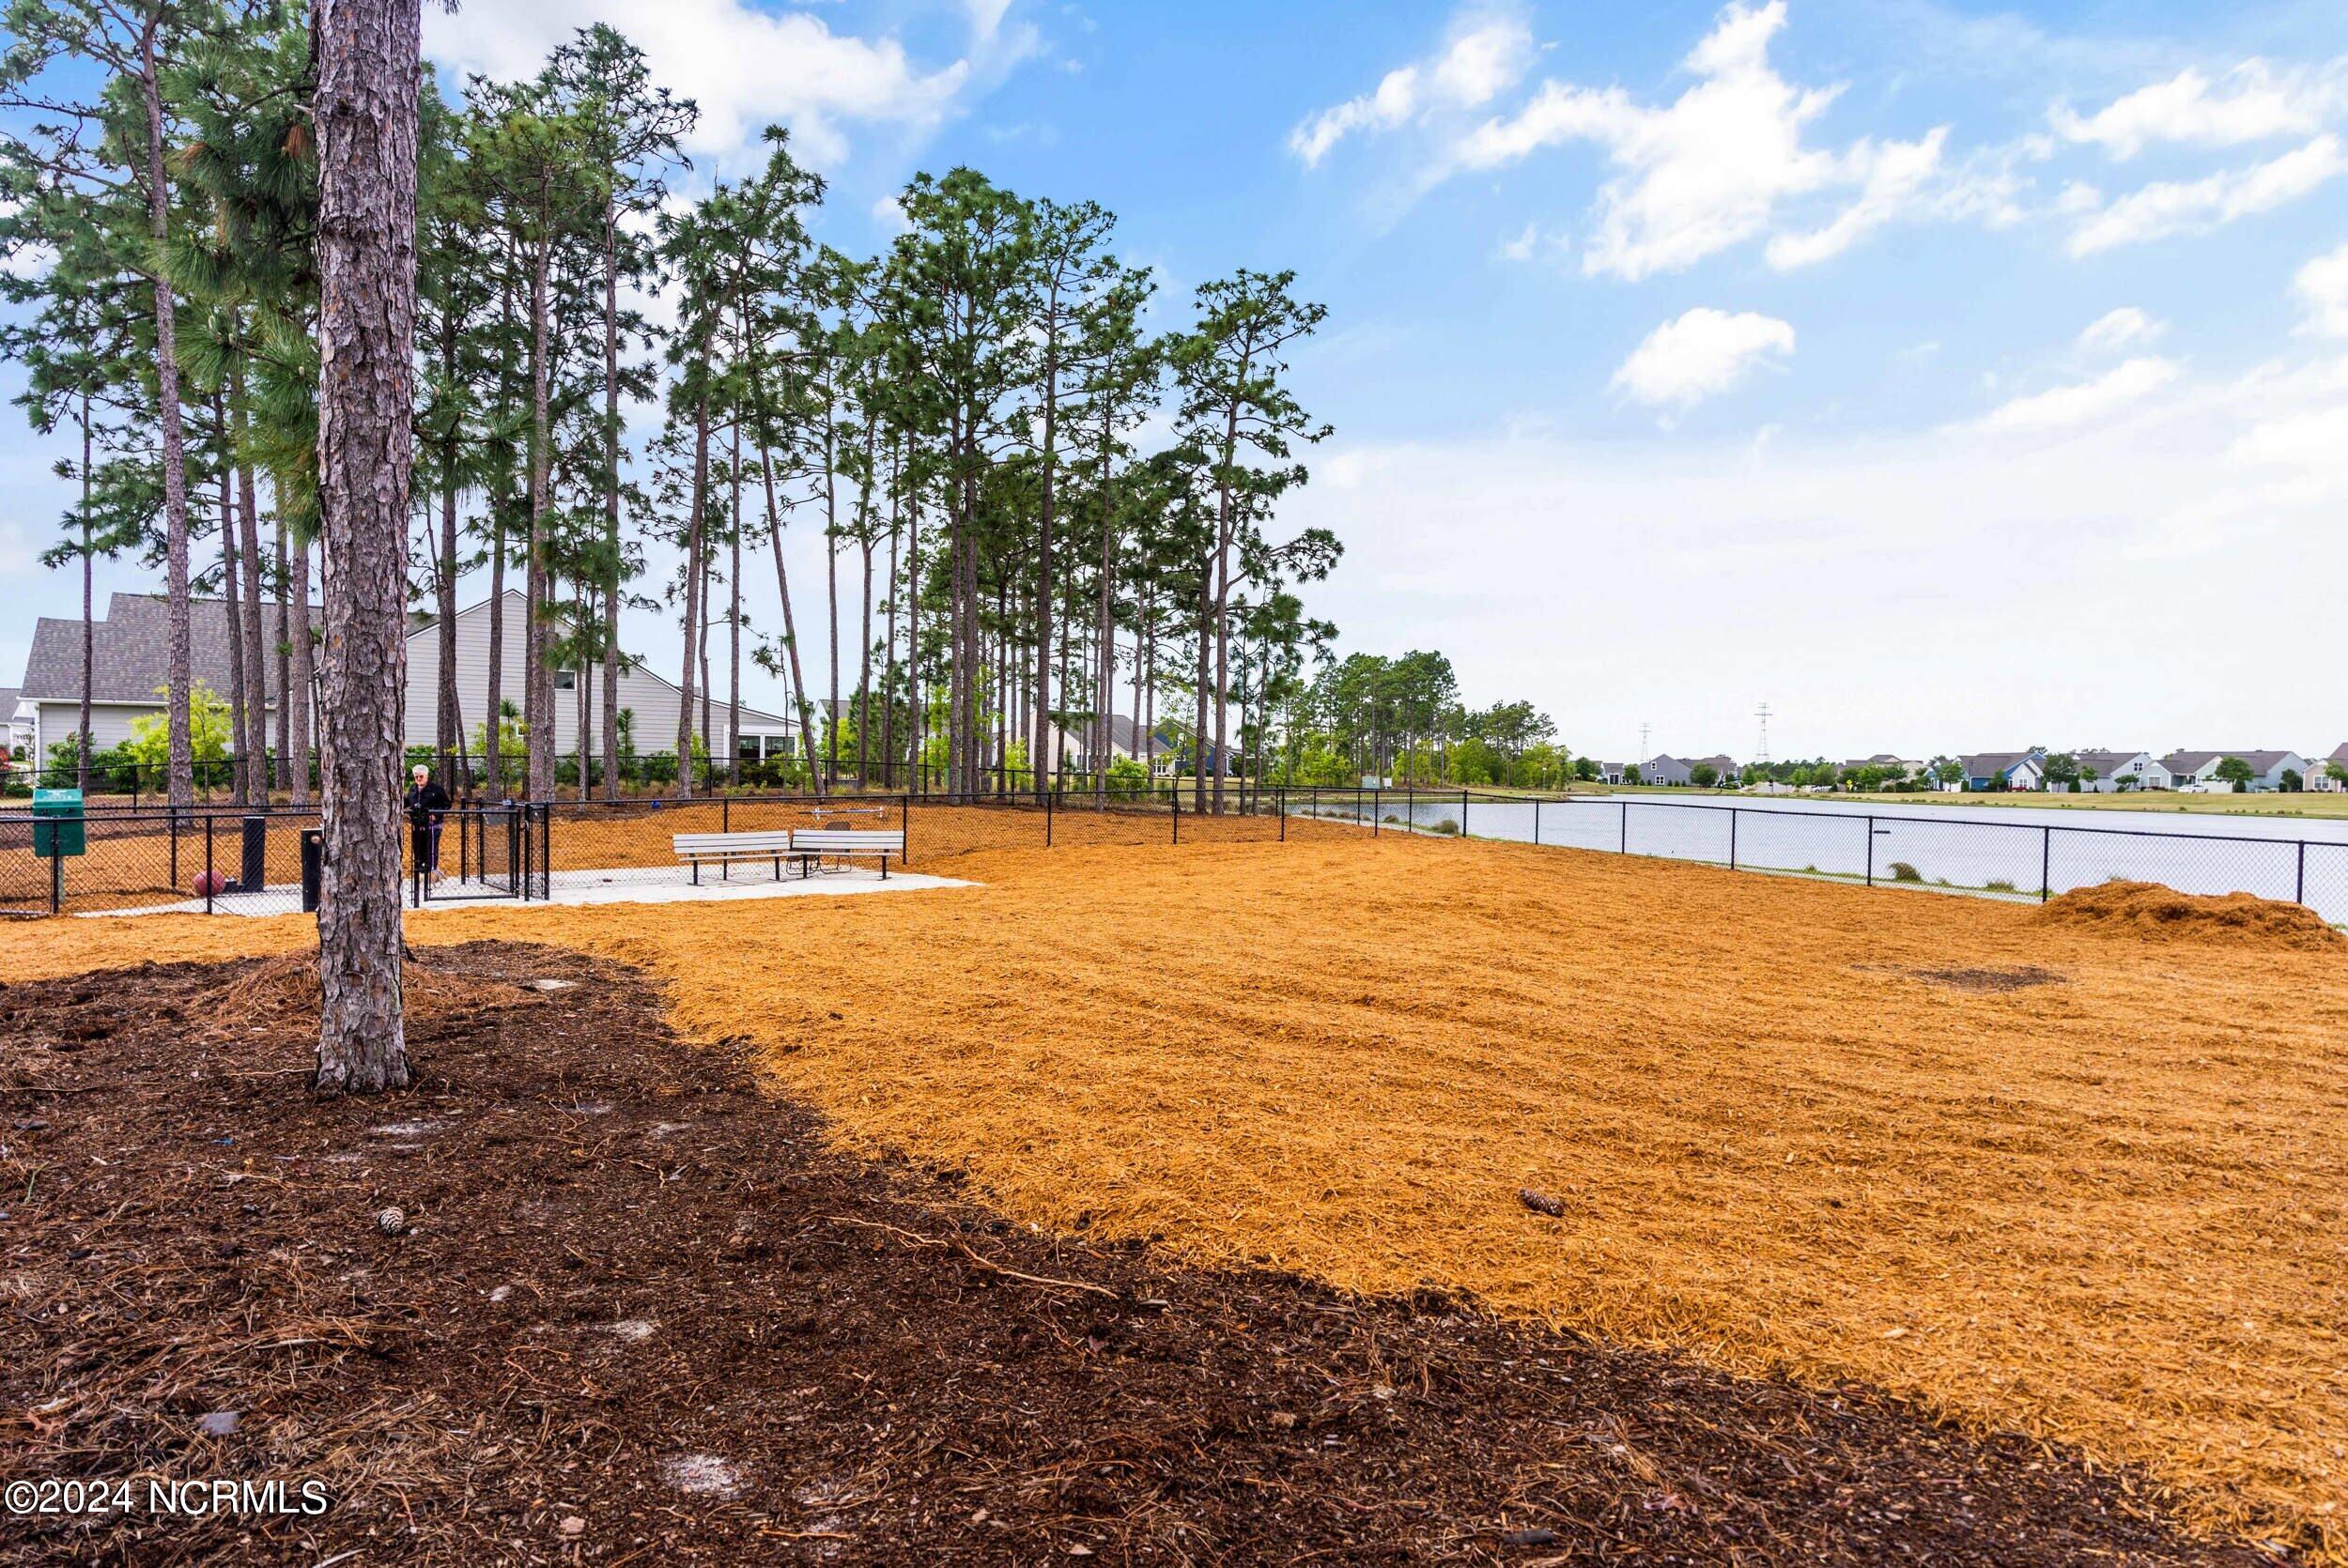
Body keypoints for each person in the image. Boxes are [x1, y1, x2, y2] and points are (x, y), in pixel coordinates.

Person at [405, 763, 451, 885]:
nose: (418, 778)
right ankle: (420, 871)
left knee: (431, 848)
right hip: (417, 825)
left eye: (421, 776)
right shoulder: (413, 788)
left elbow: (446, 804)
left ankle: (432, 872)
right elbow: (408, 801)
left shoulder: (436, 789)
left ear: (426, 775)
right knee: (417, 848)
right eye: (416, 776)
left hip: (432, 826)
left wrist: (435, 814)